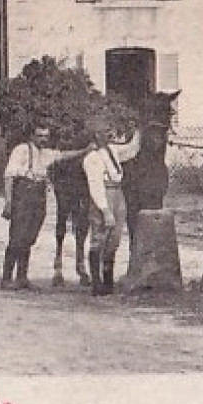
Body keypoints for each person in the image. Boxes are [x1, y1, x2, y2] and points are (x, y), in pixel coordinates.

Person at [1, 123, 89, 290]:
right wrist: (8, 201)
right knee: (17, 236)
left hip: (39, 195)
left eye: (45, 136)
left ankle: (22, 277)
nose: (43, 139)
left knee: (30, 237)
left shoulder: (46, 153)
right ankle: (6, 278)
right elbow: (9, 176)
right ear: (32, 136)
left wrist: (85, 151)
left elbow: (64, 155)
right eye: (39, 136)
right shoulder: (22, 150)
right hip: (24, 192)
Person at [82, 117, 144, 296]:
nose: (109, 134)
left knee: (114, 239)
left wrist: (140, 129)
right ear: (96, 135)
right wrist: (105, 210)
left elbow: (132, 149)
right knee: (99, 237)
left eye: (110, 131)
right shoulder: (92, 158)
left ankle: (108, 281)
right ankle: (96, 283)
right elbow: (95, 186)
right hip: (104, 195)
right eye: (105, 132)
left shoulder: (113, 150)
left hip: (118, 193)